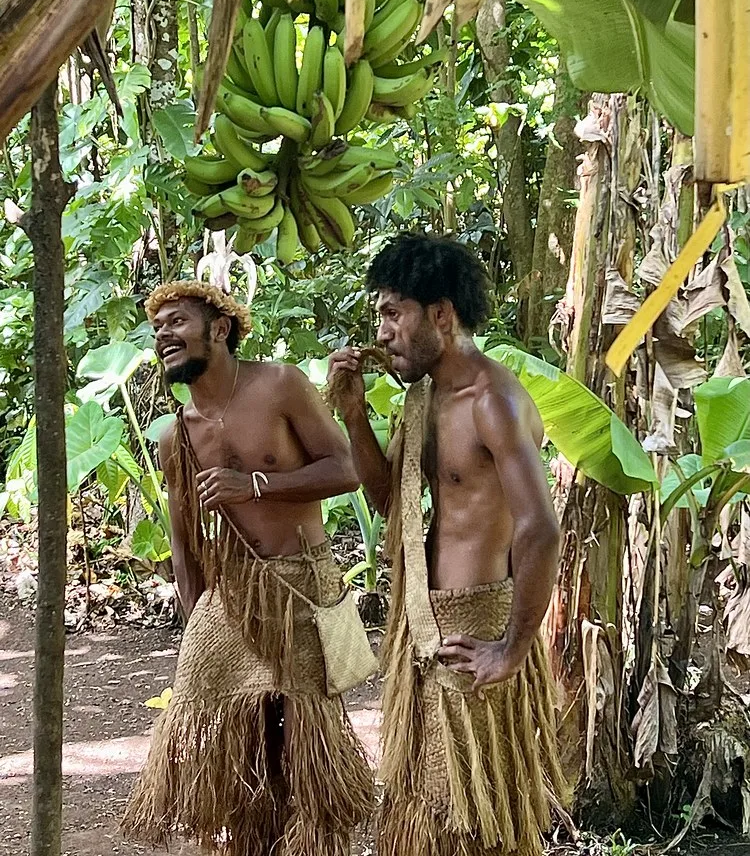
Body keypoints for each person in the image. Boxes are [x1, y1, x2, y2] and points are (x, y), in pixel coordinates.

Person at [328, 233, 568, 856]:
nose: (381, 332)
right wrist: (354, 415)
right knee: (422, 816)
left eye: (392, 313)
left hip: (476, 626)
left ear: (440, 314)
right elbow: (390, 503)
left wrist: (511, 649)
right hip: (421, 624)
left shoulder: (493, 400)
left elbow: (540, 527)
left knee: (477, 824)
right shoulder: (424, 398)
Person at [122, 280, 374, 856]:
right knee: (228, 733)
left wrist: (256, 485)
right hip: (228, 600)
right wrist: (193, 618)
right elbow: (184, 545)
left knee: (304, 738)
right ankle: (244, 843)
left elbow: (345, 469)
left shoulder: (280, 385)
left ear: (219, 328)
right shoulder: (175, 437)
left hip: (301, 585)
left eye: (176, 322)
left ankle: (312, 843)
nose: (163, 335)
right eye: (157, 327)